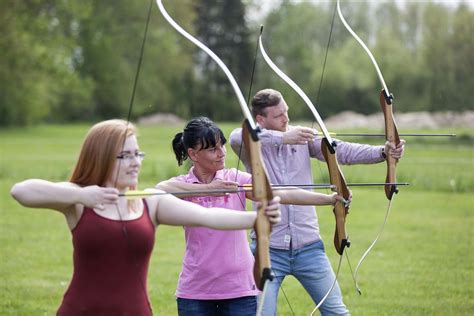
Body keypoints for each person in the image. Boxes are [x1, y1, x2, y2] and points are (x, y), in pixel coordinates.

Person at [10, 119, 282, 316]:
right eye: (125, 155)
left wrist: (258, 218)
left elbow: (207, 216)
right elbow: (21, 191)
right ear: (102, 156)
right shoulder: (79, 201)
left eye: (137, 154)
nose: (136, 162)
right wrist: (83, 195)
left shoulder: (149, 200)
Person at [229, 88, 406, 315]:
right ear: (260, 119)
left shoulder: (303, 139)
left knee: (337, 312)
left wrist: (382, 152)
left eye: (287, 112)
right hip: (268, 249)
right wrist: (282, 138)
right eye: (279, 115)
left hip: (309, 247)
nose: (287, 119)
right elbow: (236, 135)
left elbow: (339, 150)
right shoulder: (251, 144)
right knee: (262, 313)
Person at [156, 116, 348, 316]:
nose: (222, 153)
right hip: (195, 291)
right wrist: (207, 189)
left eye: (222, 146)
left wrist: (329, 199)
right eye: (213, 149)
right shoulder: (184, 184)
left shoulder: (235, 179)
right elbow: (159, 190)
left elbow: (281, 192)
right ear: (193, 154)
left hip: (240, 289)